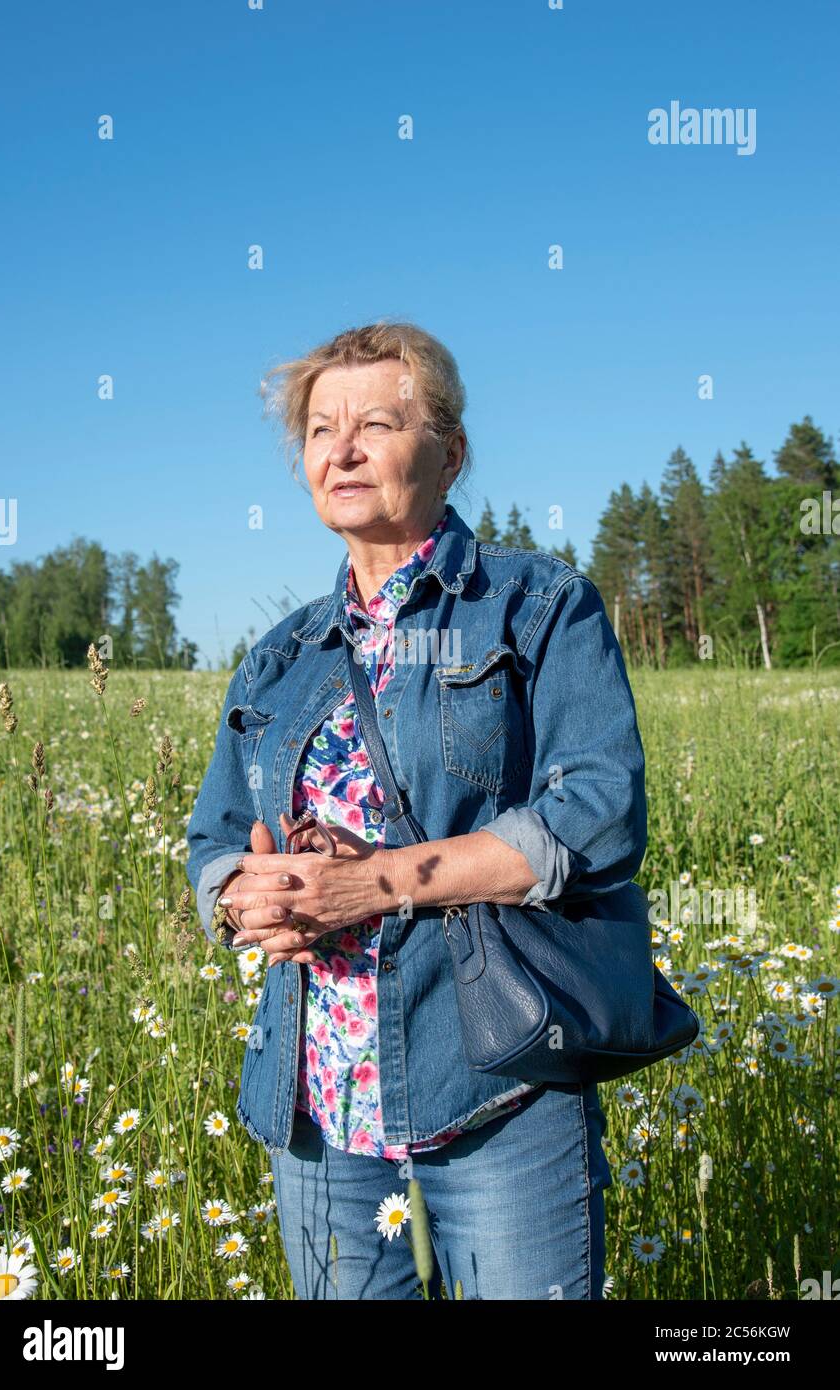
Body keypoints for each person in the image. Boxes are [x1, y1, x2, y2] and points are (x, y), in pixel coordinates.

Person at [185, 320, 647, 1300]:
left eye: (378, 423)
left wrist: (372, 884)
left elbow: (599, 811)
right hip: (318, 1106)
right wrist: (242, 900)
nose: (341, 449)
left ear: (451, 451)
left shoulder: (537, 606)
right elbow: (214, 837)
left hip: (495, 1083)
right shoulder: (280, 655)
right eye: (319, 429)